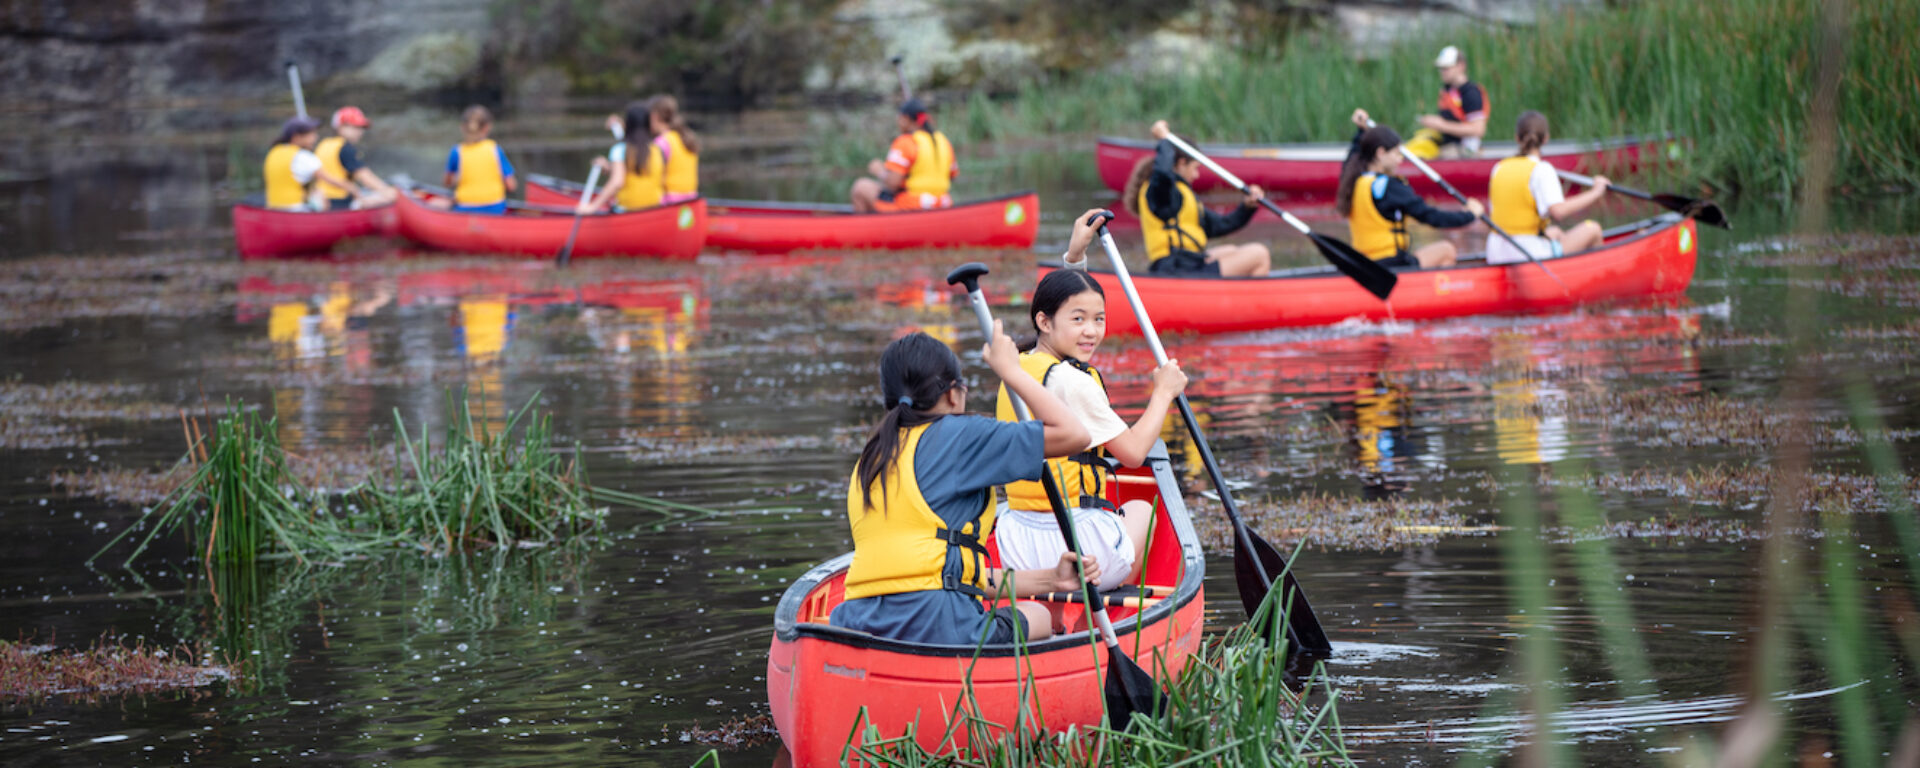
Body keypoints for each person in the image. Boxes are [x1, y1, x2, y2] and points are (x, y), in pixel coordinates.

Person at [829, 329, 1096, 645]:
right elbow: (1075, 434)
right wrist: (1012, 372)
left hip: (854, 623)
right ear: (953, 394)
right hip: (942, 626)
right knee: (1039, 616)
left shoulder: (873, 454)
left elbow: (945, 576)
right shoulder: (961, 435)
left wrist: (1051, 578)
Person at [993, 209, 1189, 598]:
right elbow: (1133, 453)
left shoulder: (1018, 364)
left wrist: (1073, 259)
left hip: (1016, 543)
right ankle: (1110, 603)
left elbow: (1059, 306)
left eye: (1099, 319)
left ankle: (1053, 615)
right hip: (1077, 545)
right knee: (1141, 511)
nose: (1091, 331)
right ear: (1045, 322)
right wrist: (1162, 393)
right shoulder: (1073, 381)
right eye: (1080, 319)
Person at [1121, 120, 1271, 277]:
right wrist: (1165, 140)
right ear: (1181, 163)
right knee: (1259, 254)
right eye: (1195, 168)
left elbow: (1222, 225)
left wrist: (1247, 206)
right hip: (1174, 269)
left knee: (1230, 250)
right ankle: (1250, 301)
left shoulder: (1183, 193)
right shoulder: (1161, 193)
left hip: (1189, 263)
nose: (1196, 175)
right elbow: (1163, 174)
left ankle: (1231, 299)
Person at [1339, 109, 1484, 269]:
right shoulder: (1390, 187)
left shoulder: (1353, 179)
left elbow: (1353, 155)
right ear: (1381, 153)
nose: (1400, 160)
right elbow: (1431, 217)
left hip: (1364, 264)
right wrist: (1470, 215)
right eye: (1396, 154)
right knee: (1446, 250)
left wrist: (1361, 131)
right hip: (1390, 265)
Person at [1485, 111, 1610, 265]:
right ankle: (1592, 281)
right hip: (1526, 254)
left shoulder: (1499, 167)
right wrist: (1596, 192)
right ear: (1546, 139)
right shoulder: (1542, 169)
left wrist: (1543, 234)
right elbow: (1558, 211)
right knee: (1593, 229)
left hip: (1495, 252)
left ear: (1517, 138)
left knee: (1556, 233)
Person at [849, 99, 956, 213]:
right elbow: (952, 175)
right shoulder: (944, 142)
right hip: (943, 203)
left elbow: (892, 184)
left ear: (905, 119)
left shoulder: (905, 142)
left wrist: (879, 171)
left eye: (899, 118)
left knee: (860, 187)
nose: (898, 122)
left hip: (912, 205)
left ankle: (868, 228)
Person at [1404, 46, 1490, 160]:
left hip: (1462, 151)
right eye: (1441, 68)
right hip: (1447, 146)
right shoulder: (1448, 90)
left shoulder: (1471, 93)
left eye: (1446, 68)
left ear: (1461, 66)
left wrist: (1440, 125)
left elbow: (1478, 130)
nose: (1442, 72)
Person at [580, 100, 666, 213]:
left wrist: (591, 207)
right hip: (654, 209)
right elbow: (635, 174)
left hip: (626, 210)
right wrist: (609, 168)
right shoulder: (657, 149)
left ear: (628, 124)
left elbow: (617, 181)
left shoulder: (620, 149)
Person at [262, 117, 360, 212]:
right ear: (296, 137)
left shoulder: (274, 151)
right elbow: (330, 179)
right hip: (296, 210)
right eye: (311, 134)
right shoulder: (303, 157)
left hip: (273, 208)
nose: (315, 137)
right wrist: (354, 190)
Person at [313, 106, 395, 210]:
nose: (359, 131)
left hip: (323, 201)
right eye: (354, 127)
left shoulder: (324, 144)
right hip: (341, 203)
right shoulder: (345, 148)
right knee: (390, 197)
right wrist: (388, 191)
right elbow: (365, 177)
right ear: (340, 127)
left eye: (361, 127)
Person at [442, 105, 517, 214]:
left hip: (465, 208)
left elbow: (447, 183)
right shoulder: (495, 149)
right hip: (495, 208)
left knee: (438, 203)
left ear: (462, 127)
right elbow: (511, 185)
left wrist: (456, 179)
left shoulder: (457, 151)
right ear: (487, 127)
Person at [648, 95, 701, 204]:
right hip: (692, 199)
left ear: (654, 116)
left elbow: (649, 175)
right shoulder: (686, 137)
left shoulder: (661, 143)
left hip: (669, 202)